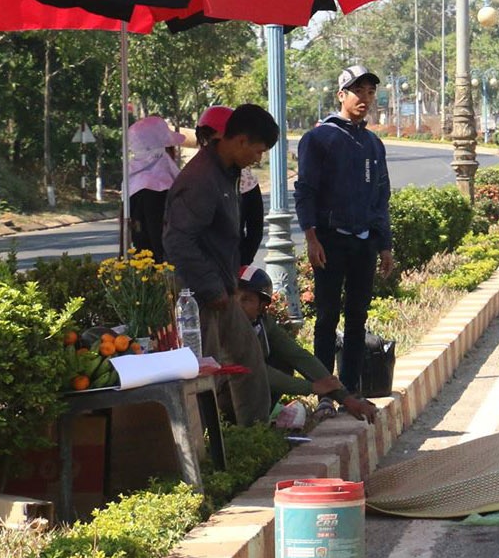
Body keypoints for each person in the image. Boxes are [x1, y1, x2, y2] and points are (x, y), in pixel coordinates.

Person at [163, 104, 278, 426]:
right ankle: (204, 444)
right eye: (258, 151)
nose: (258, 158)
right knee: (203, 372)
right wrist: (211, 288)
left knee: (248, 359)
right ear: (240, 141)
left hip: (221, 287)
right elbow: (178, 241)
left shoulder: (227, 171)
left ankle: (254, 435)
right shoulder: (201, 179)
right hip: (196, 292)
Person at [294, 64, 394, 395]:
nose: (365, 98)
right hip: (329, 241)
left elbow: (381, 196)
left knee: (357, 318)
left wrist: (385, 245)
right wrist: (311, 238)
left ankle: (350, 388)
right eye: (357, 91)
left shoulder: (373, 143)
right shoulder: (319, 138)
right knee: (326, 317)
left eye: (370, 92)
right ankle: (325, 392)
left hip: (364, 243)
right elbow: (305, 191)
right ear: (341, 95)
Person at [235, 265, 378, 423]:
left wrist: (345, 398)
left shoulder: (263, 324)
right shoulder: (226, 327)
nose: (237, 305)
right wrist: (311, 387)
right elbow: (255, 371)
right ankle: (244, 426)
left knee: (282, 362)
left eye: (246, 299)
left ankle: (257, 422)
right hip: (225, 392)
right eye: (234, 298)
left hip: (245, 389)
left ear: (262, 306)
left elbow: (298, 356)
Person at [198, 105, 265, 266]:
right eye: (205, 139)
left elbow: (255, 229)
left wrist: (242, 262)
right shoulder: (194, 176)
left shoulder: (246, 181)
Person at [126, 116, 185, 261]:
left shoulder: (133, 182)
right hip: (160, 268)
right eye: (171, 147)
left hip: (141, 266)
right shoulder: (157, 187)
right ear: (162, 150)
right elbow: (159, 239)